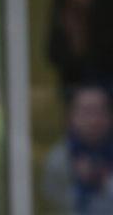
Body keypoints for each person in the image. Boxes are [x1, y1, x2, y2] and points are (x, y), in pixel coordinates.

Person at [44, 84, 113, 214]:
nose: (94, 119)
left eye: (100, 111)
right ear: (71, 117)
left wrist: (103, 179)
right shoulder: (59, 158)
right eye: (87, 112)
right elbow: (54, 205)